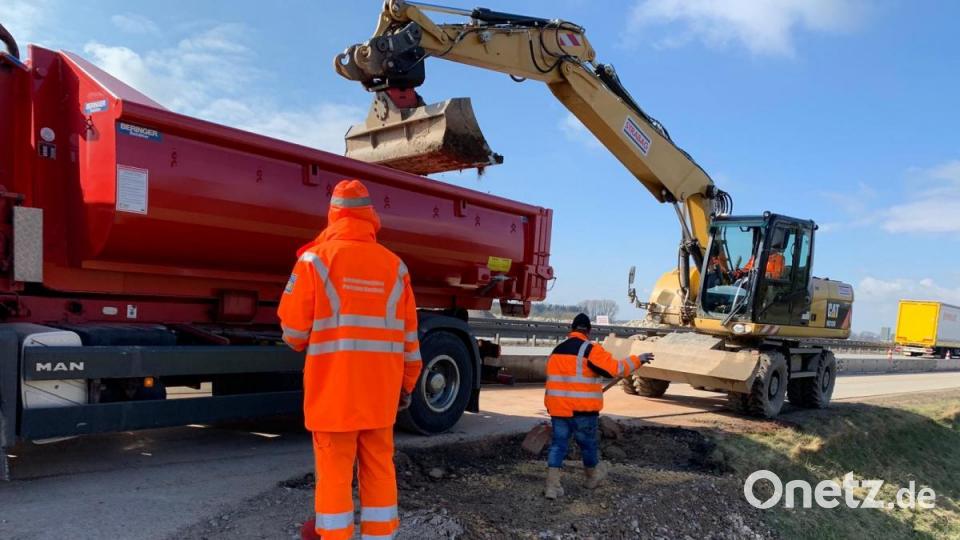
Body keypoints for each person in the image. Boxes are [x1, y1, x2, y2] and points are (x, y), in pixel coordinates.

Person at [278, 179, 422, 540]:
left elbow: (294, 335)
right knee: (379, 471)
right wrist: (405, 386)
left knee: (334, 479)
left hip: (333, 398)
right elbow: (410, 343)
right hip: (379, 397)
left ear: (333, 214)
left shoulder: (314, 260)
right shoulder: (396, 268)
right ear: (369, 216)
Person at [543, 313, 654, 499]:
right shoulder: (590, 349)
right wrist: (638, 360)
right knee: (587, 444)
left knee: (558, 446)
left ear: (571, 329)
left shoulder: (557, 350)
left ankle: (552, 487)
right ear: (589, 331)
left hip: (558, 409)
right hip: (582, 411)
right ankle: (592, 477)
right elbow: (615, 369)